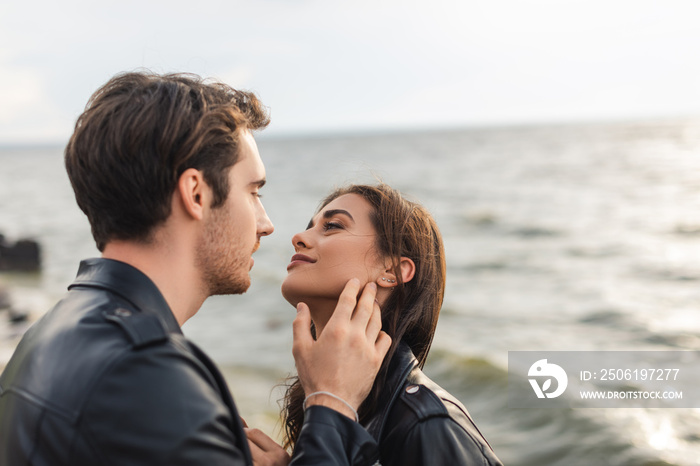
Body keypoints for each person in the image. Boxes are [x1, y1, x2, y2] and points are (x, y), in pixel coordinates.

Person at [0, 72, 391, 466]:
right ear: (196, 194)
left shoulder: (46, 333)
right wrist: (331, 404)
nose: (266, 223)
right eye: (253, 192)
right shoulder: (145, 374)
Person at [278, 184, 503, 465]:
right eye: (311, 226)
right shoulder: (325, 397)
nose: (298, 237)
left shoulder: (427, 424)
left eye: (332, 226)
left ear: (392, 271)